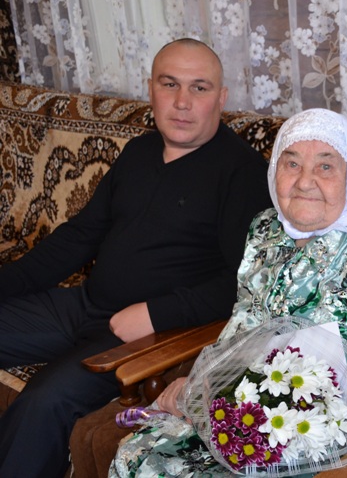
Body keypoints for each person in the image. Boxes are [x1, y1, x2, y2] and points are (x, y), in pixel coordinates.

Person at [109, 107, 347, 476]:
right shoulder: (266, 229)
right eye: (292, 163)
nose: (305, 182)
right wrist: (204, 387)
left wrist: (316, 434)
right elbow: (244, 324)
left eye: (326, 166)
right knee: (136, 458)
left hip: (324, 438)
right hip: (242, 411)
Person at [0, 38, 272, 476]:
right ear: (151, 90)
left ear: (221, 98)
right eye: (170, 84)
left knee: (44, 402)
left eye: (199, 88)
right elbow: (79, 237)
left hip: (150, 336)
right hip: (83, 305)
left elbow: (244, 280)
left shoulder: (242, 173)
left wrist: (155, 314)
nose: (182, 102)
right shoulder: (140, 151)